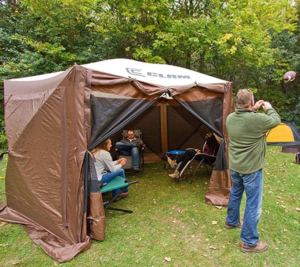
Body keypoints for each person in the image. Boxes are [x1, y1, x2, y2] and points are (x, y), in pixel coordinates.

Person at [225, 89, 280, 253]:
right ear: (250, 102)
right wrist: (268, 107)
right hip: (251, 170)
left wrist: (253, 109)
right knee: (253, 203)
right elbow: (275, 120)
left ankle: (231, 221)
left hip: (235, 167)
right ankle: (249, 241)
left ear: (237, 103)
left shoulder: (230, 118)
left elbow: (246, 119)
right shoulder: (258, 120)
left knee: (235, 193)